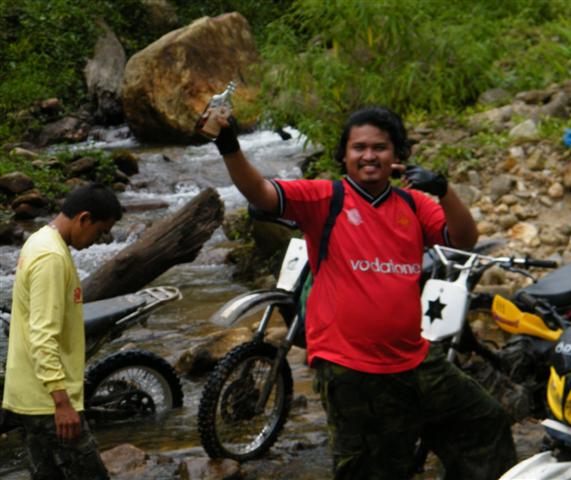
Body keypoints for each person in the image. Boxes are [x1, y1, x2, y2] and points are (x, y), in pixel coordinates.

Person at [208, 106, 516, 479]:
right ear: (344, 155)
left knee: (484, 422)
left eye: (380, 147)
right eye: (359, 148)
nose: (369, 155)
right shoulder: (325, 198)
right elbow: (260, 193)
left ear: (397, 156)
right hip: (350, 368)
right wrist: (229, 146)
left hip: (414, 359)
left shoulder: (414, 204)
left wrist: (444, 190)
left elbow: (464, 239)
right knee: (373, 468)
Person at [2, 183, 122, 480]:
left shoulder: (39, 240)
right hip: (48, 400)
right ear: (84, 218)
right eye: (100, 231)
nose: (99, 240)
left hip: (31, 395)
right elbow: (42, 335)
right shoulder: (51, 259)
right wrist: (62, 402)